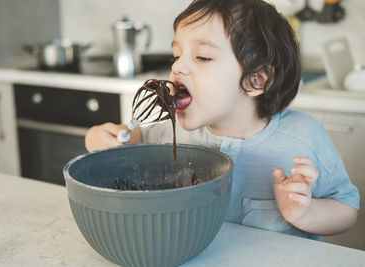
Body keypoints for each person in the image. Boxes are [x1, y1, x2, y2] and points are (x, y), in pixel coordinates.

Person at [85, 0, 359, 239]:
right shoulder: (172, 133)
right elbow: (130, 142)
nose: (177, 67)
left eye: (202, 57)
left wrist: (306, 213)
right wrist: (100, 137)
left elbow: (347, 210)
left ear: (255, 80)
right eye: (177, 55)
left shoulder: (303, 139)